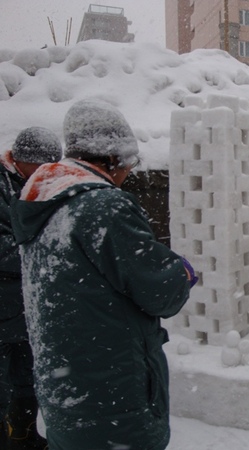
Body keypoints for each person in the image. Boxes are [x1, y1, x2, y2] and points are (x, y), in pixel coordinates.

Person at [9, 99, 195, 450]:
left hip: (66, 393)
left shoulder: (43, 205)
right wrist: (181, 272)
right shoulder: (102, 206)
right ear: (112, 158)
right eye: (130, 162)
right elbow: (160, 291)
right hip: (113, 396)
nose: (128, 173)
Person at [1, 126, 62, 449]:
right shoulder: (3, 185)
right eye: (41, 166)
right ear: (20, 160)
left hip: (29, 305)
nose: (47, 173)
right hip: (4, 301)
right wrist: (41, 250)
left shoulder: (43, 183)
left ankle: (24, 435)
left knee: (29, 378)